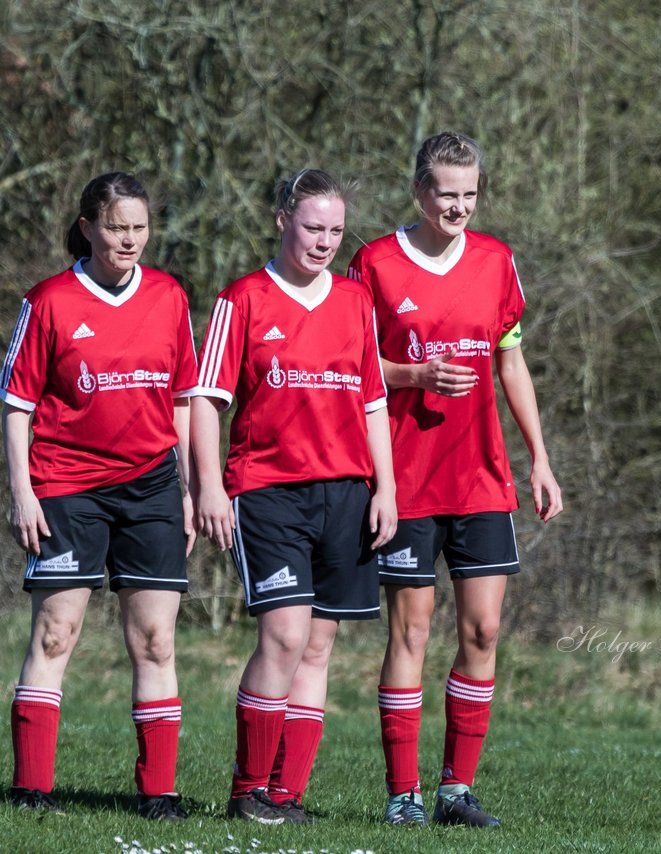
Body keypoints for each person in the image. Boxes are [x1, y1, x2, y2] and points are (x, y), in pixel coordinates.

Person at [347, 131, 564, 829]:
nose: (459, 206)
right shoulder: (375, 263)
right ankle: (402, 796)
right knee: (409, 632)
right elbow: (345, 366)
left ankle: (454, 792)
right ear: (419, 191)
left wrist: (541, 457)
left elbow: (511, 363)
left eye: (470, 194)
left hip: (480, 477)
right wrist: (413, 375)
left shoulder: (497, 262)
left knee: (484, 629)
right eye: (447, 193)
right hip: (404, 479)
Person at [190, 168, 397, 825]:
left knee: (318, 645)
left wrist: (385, 487)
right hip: (268, 491)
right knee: (282, 634)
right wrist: (208, 488)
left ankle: (288, 796)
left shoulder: (355, 301)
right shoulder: (241, 300)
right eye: (313, 227)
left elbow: (371, 400)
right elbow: (205, 402)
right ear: (282, 220)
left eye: (336, 231)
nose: (324, 242)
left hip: (346, 492)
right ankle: (248, 791)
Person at [0, 171, 198, 821]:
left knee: (156, 641)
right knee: (57, 632)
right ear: (87, 228)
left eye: (139, 227)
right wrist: (23, 492)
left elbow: (186, 400)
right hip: (65, 486)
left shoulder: (169, 297)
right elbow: (17, 405)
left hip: (151, 487)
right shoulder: (50, 301)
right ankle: (31, 791)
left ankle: (158, 794)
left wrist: (190, 489)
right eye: (116, 227)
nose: (129, 240)